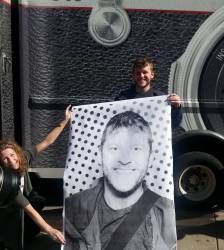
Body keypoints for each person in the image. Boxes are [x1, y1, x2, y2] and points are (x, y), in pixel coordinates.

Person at [64, 111, 176, 250]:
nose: (124, 160)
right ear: (100, 153)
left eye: (136, 149)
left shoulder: (165, 212)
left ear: (150, 157)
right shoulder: (75, 207)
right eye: (114, 148)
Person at [0, 105, 72, 249]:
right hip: (9, 220)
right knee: (13, 240)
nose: (11, 160)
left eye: (12, 155)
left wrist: (65, 121)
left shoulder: (24, 157)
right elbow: (29, 210)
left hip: (23, 213)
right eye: (5, 159)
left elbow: (47, 141)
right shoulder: (8, 182)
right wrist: (50, 230)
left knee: (37, 202)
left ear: (18, 154)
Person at [115, 57, 182, 130]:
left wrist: (176, 107)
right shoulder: (122, 98)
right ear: (133, 75)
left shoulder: (162, 99)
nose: (141, 76)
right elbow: (115, 124)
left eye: (144, 72)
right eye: (138, 73)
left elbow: (174, 125)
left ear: (152, 75)